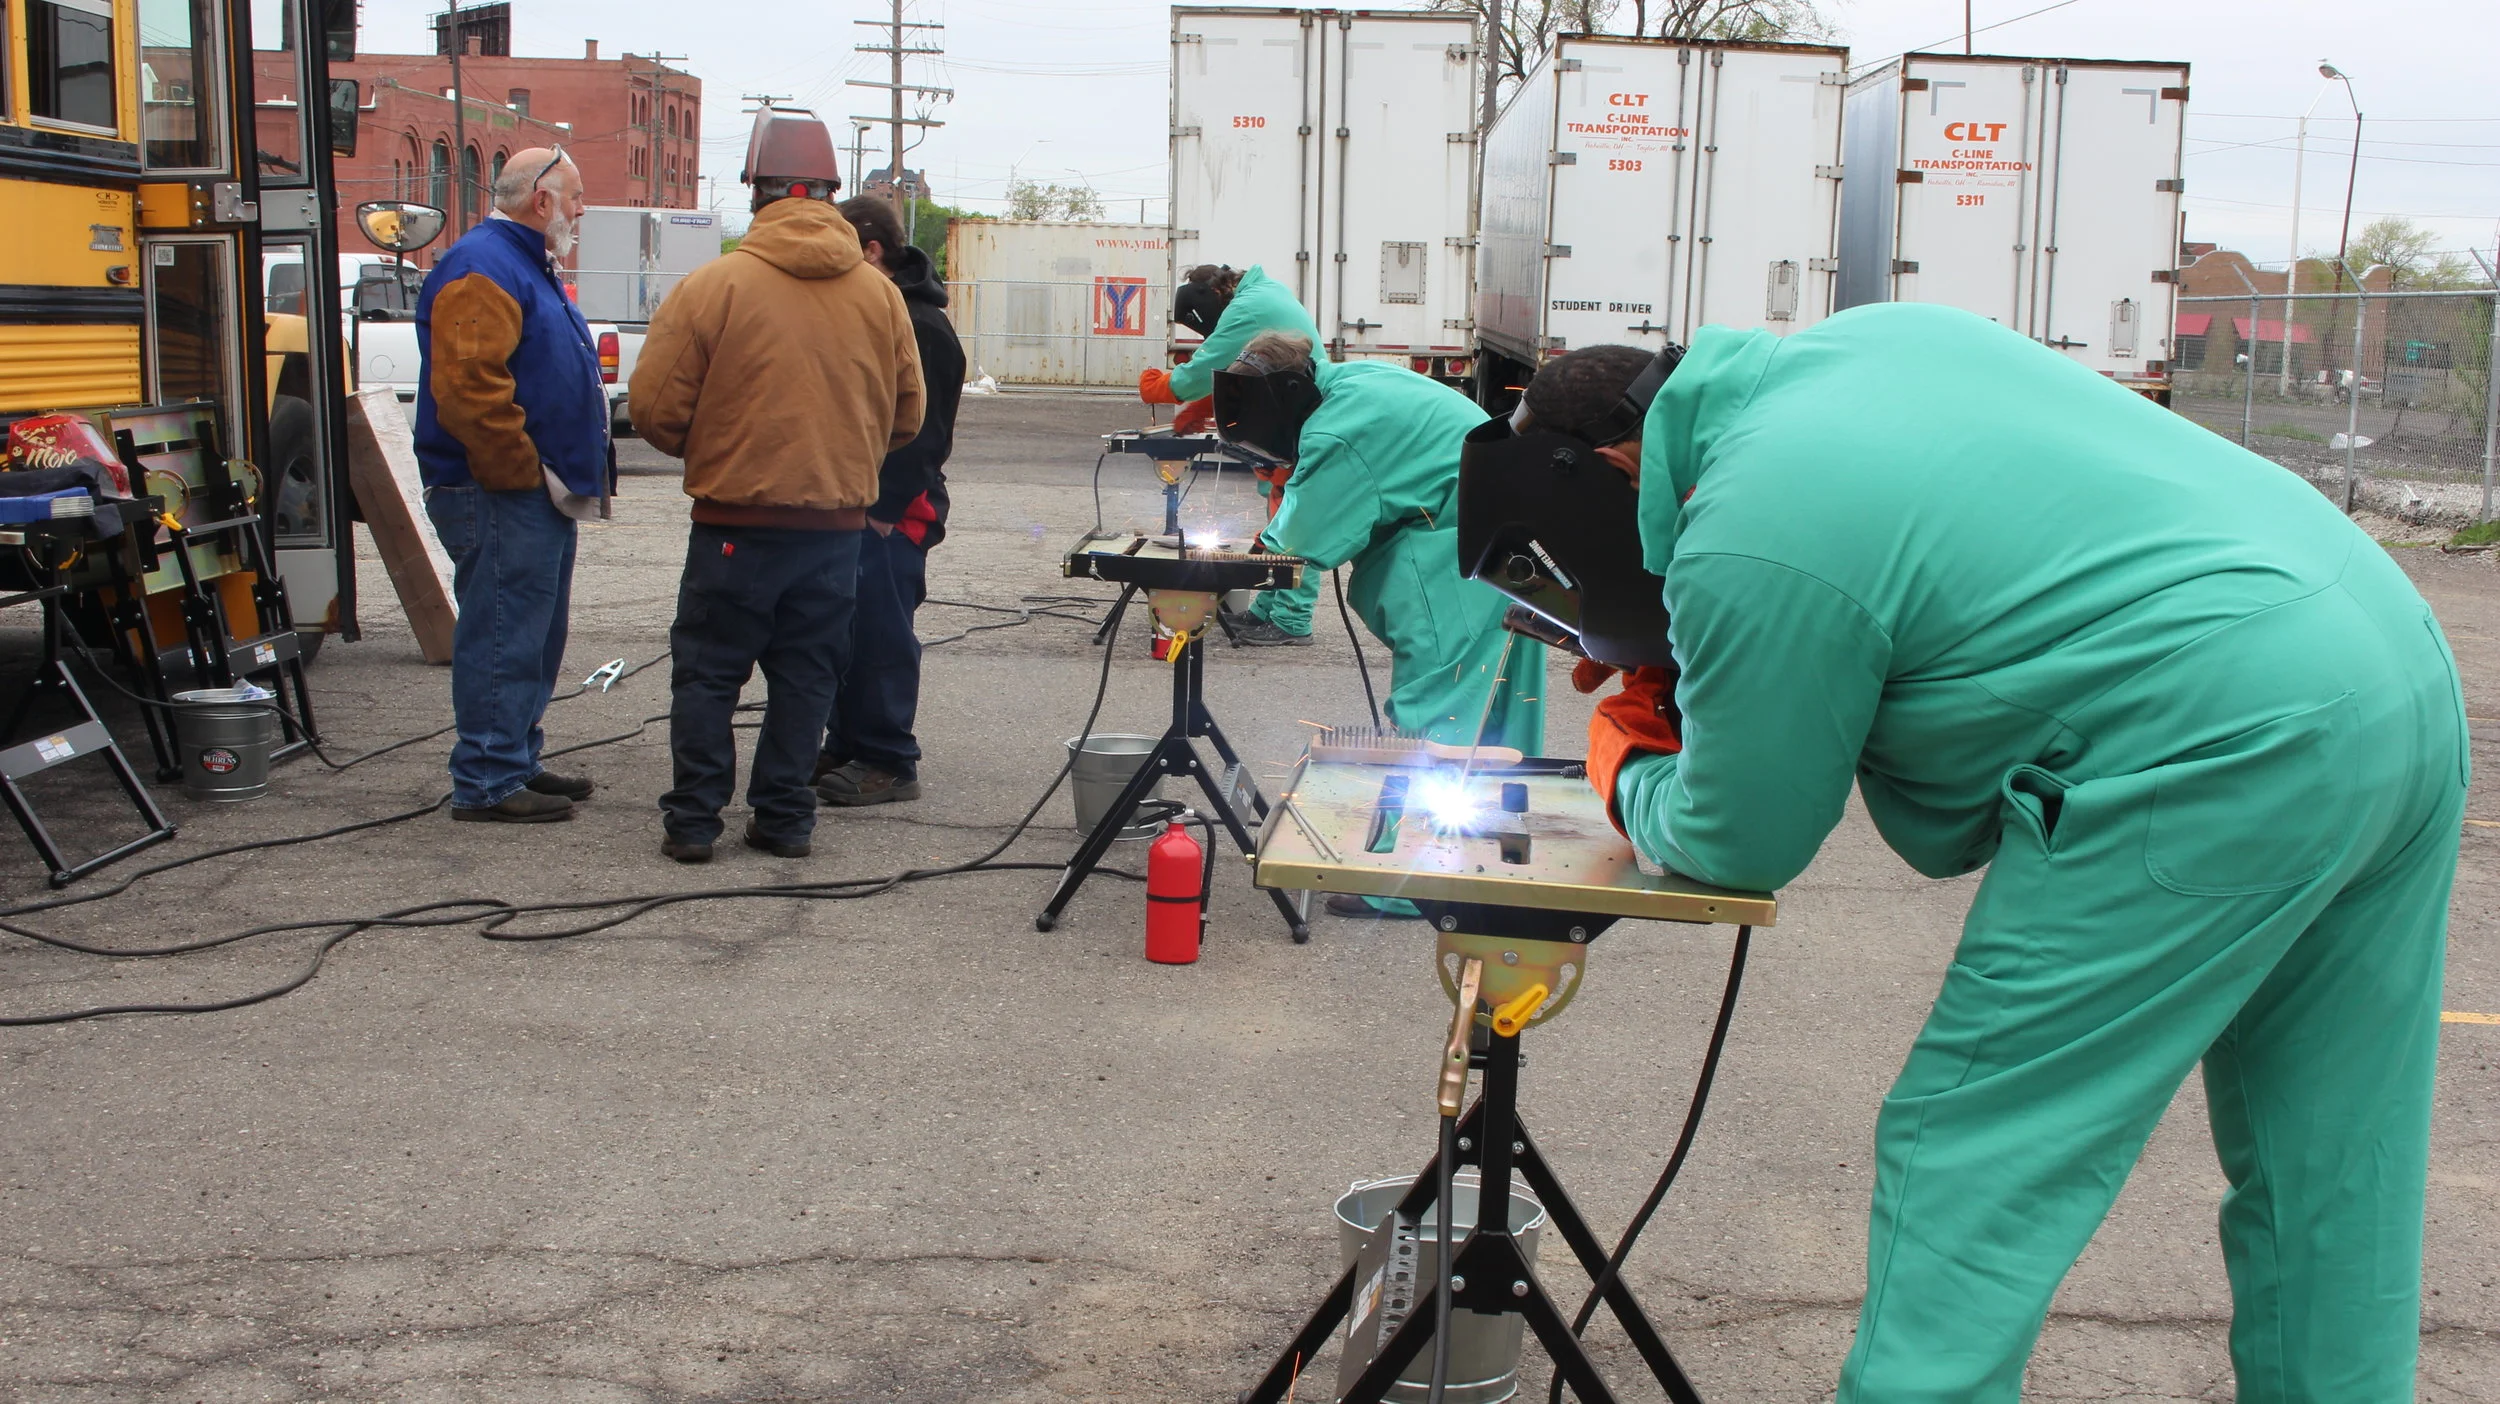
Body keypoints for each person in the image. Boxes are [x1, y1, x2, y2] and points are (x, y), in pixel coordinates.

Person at [1512, 311, 2465, 1402]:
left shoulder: (1745, 520)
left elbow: (1740, 840)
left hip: (2219, 732)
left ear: (1608, 469)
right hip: (2390, 672)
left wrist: (1626, 754)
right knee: (2329, 1156)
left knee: (1977, 1153)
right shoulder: (1869, 342)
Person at [630, 112, 923, 863]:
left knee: (707, 676)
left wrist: (718, 451)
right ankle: (785, 819)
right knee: (807, 679)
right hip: (833, 531)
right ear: (830, 192)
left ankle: (694, 822)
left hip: (732, 522)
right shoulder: (880, 296)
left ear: (755, 191)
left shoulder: (713, 286)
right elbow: (907, 414)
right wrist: (841, 459)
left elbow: (655, 410)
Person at [1215, 331, 1545, 917]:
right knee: (1491, 711)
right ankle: (1492, 848)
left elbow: (1297, 544)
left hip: (1458, 561)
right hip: (1507, 547)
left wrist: (1211, 571)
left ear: (1288, 394)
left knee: (1435, 717)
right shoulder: (1351, 383)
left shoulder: (1339, 428)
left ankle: (1409, 885)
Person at [413, 146, 609, 824]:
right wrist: (520, 474)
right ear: (542, 199)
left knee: (532, 631)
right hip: (497, 489)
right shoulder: (482, 266)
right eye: (576, 196)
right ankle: (489, 778)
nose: (583, 210)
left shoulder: (520, 262)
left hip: (529, 490)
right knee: (504, 630)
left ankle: (514, 758)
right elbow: (470, 389)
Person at [812, 196, 964, 808]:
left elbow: (923, 432)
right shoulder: (878, 307)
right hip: (857, 501)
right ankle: (847, 741)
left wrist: (880, 509)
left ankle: (888, 758)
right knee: (844, 630)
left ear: (871, 251)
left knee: (880, 633)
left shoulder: (919, 324)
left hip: (894, 509)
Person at [1141, 264, 1322, 646]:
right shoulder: (1262, 294)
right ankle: (1266, 610)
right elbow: (1238, 369)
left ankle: (1292, 620)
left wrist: (1164, 387)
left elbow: (1205, 367)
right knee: (1281, 513)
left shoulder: (1249, 307)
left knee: (1295, 514)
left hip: (1299, 415)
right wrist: (1205, 408)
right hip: (1288, 410)